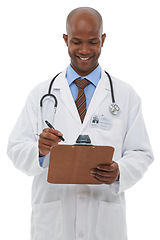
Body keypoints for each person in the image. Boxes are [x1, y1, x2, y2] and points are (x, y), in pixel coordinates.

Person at [7, 7, 153, 240]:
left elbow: (142, 153)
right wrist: (40, 150)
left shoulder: (125, 96)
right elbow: (15, 148)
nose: (84, 50)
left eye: (93, 42)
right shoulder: (41, 94)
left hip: (104, 222)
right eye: (76, 42)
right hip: (53, 225)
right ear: (65, 39)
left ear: (103, 40)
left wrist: (119, 172)